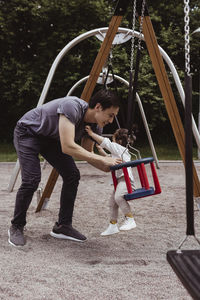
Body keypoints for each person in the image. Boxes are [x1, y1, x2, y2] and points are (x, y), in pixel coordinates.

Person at [8, 89, 122, 247]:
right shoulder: (72, 106)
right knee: (32, 179)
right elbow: (68, 146)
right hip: (29, 133)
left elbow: (88, 153)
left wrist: (110, 167)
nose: (111, 121)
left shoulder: (95, 127)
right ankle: (16, 226)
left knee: (72, 174)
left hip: (52, 140)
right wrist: (103, 158)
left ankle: (63, 226)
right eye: (110, 115)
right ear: (98, 107)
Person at [85, 125, 137, 236]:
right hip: (120, 182)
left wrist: (91, 134)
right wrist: (100, 150)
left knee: (118, 197)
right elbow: (108, 157)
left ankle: (130, 219)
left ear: (118, 141)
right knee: (112, 203)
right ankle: (113, 225)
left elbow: (107, 143)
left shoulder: (121, 149)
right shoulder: (118, 152)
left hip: (126, 181)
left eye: (114, 140)